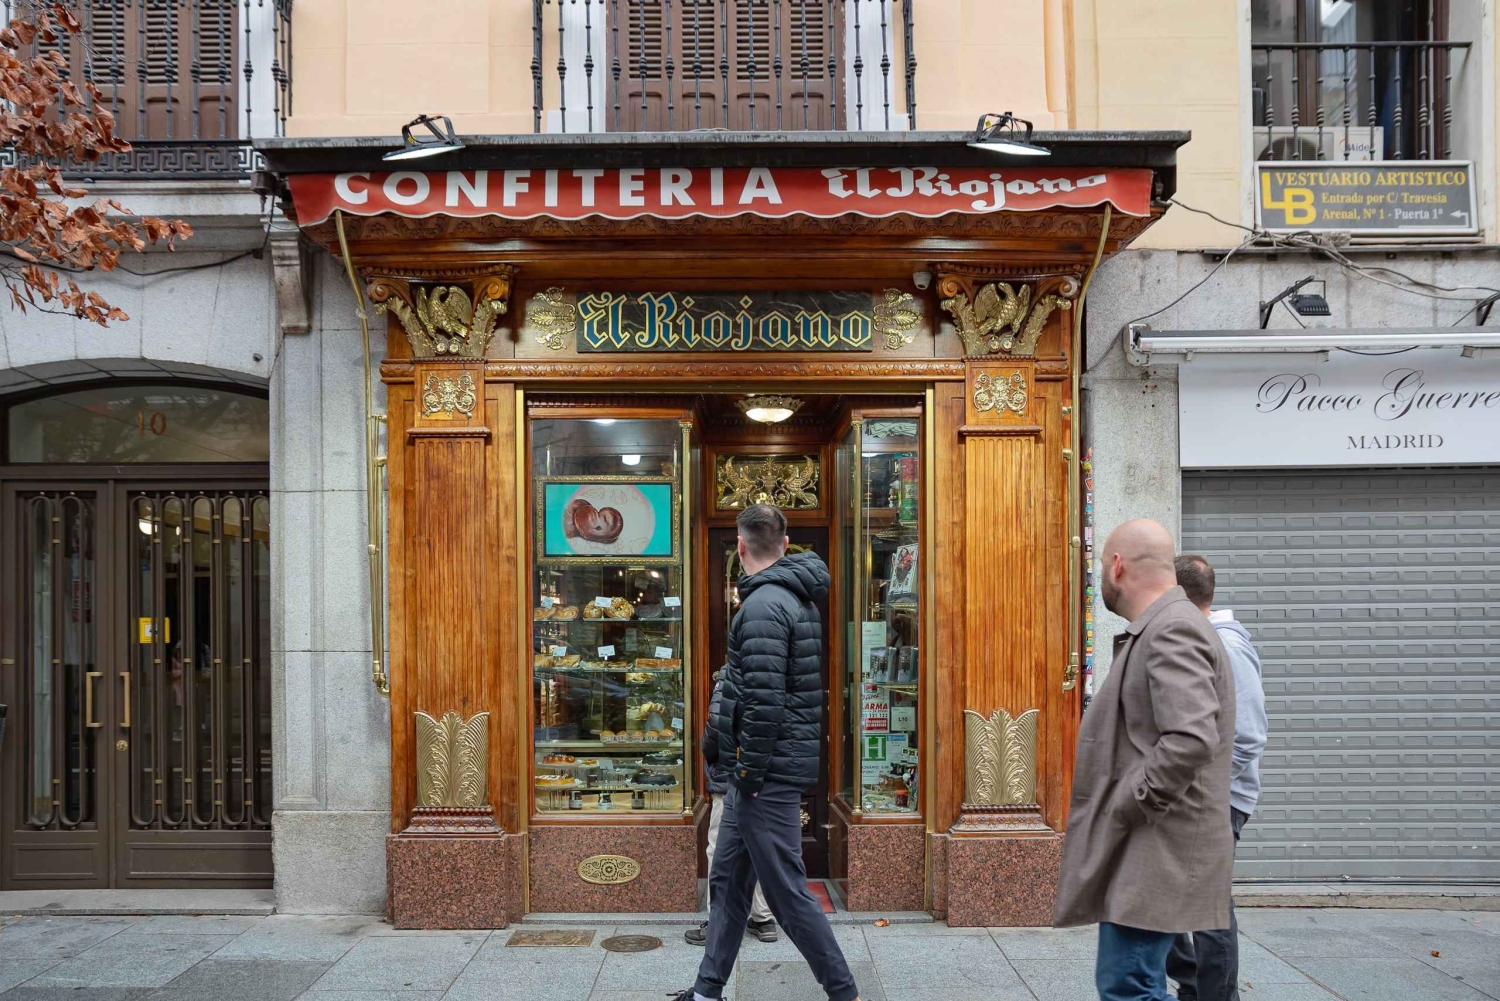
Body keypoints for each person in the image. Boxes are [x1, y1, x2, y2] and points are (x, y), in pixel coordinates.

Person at [674, 504, 860, 1001]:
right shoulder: (790, 596)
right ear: (785, 544)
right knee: (728, 884)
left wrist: (748, 775)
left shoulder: (762, 606)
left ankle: (845, 993)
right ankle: (707, 991)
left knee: (786, 893)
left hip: (762, 775)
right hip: (756, 772)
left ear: (740, 546)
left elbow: (764, 702)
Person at [1053, 519, 1236, 1001]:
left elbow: (1191, 738)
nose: (1099, 577)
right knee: (1134, 981)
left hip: (1157, 847)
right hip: (1154, 845)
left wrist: (1130, 802)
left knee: (1129, 985)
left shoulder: (1173, 628)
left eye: (1100, 566)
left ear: (1117, 566)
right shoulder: (1167, 625)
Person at [1165, 555, 1268, 1001]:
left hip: (1217, 800)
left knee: (1208, 909)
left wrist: (1209, 794)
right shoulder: (1198, 639)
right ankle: (1192, 987)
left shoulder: (1226, 646)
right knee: (1163, 894)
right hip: (1192, 796)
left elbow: (1248, 736)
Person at [685, 668, 777, 946]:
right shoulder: (782, 670)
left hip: (731, 776)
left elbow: (716, 726)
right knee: (762, 847)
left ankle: (720, 921)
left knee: (721, 849)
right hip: (771, 779)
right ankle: (763, 918)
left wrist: (709, 754)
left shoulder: (731, 673)